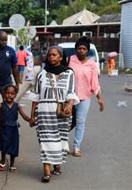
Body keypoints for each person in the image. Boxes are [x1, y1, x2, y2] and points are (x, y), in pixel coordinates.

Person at [29, 46, 79, 183]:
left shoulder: (69, 73)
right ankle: (46, 171)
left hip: (62, 113)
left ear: (61, 57)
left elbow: (71, 93)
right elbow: (36, 97)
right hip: (44, 112)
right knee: (46, 141)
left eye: (54, 55)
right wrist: (32, 116)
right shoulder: (41, 74)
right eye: (49, 55)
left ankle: (56, 165)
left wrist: (69, 105)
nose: (51, 57)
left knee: (60, 140)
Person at [67, 36, 104, 157]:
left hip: (84, 98)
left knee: (80, 122)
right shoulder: (70, 60)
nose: (81, 50)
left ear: (87, 50)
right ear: (76, 49)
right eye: (79, 48)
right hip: (69, 97)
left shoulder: (92, 64)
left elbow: (94, 83)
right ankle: (64, 144)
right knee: (66, 121)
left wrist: (99, 98)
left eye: (83, 48)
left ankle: (76, 147)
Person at [0, 85, 30, 172]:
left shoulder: (17, 106)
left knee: (13, 146)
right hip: (4, 129)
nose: (9, 95)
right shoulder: (1, 105)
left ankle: (12, 164)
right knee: (4, 146)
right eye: (7, 93)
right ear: (4, 94)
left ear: (15, 95)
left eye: (12, 93)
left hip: (14, 130)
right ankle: (3, 160)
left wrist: (31, 120)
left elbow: (24, 116)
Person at [0, 31, 20, 132]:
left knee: (9, 102)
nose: (4, 42)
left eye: (5, 40)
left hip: (7, 82)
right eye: (2, 40)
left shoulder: (11, 51)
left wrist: (17, 84)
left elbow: (15, 68)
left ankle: (10, 121)